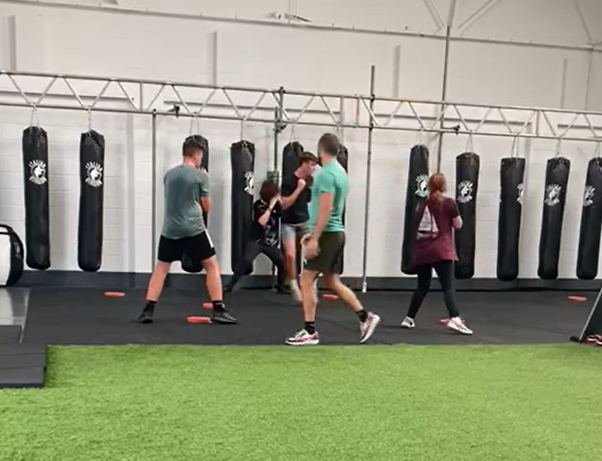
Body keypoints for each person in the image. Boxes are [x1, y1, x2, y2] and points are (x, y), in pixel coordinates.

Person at [285, 133, 381, 346]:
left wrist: (315, 238)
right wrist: (313, 233)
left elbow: (326, 209)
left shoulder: (326, 174)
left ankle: (310, 331)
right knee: (331, 281)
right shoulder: (341, 172)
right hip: (334, 233)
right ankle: (365, 317)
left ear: (320, 150)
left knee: (306, 279)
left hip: (328, 234)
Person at [137, 135, 237, 325]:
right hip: (194, 228)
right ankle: (218, 309)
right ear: (197, 154)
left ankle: (147, 310)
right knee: (211, 265)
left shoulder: (169, 175)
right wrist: (206, 182)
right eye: (201, 156)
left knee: (161, 268)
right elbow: (207, 207)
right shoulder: (200, 176)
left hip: (170, 229)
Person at [400, 173, 473, 335]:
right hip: (442, 250)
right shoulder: (449, 203)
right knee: (448, 287)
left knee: (422, 286)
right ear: (444, 186)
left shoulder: (421, 205)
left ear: (430, 186)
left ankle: (409, 318)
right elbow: (458, 225)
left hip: (423, 251)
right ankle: (455, 318)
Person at [224, 180, 288, 293]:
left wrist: (278, 202)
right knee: (246, 260)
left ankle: (281, 286)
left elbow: (283, 212)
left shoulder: (277, 206)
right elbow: (262, 221)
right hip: (257, 240)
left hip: (270, 242)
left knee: (281, 262)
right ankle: (230, 285)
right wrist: (270, 207)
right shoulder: (258, 205)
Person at [280, 152, 319, 301]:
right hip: (288, 223)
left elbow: (308, 201)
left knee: (312, 253)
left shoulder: (310, 181)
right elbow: (285, 205)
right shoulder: (289, 181)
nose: (314, 168)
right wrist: (298, 189)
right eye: (312, 165)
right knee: (290, 255)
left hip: (304, 222)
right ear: (304, 164)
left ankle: (312, 286)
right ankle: (293, 285)